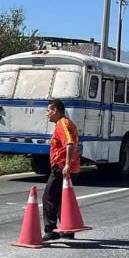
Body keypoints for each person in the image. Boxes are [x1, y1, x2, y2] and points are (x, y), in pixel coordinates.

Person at [42, 99, 81, 241]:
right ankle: (67, 229)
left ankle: (50, 230)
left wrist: (66, 165)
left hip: (62, 168)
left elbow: (69, 144)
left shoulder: (62, 124)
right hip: (71, 168)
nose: (47, 114)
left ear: (56, 110)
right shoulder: (67, 123)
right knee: (62, 199)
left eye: (48, 111)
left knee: (49, 197)